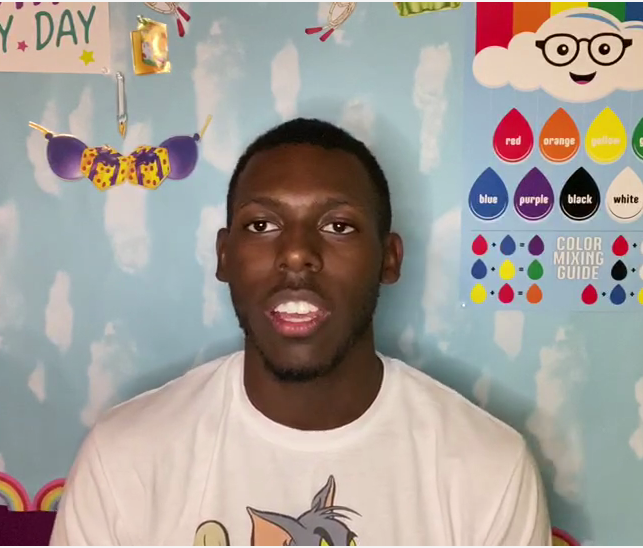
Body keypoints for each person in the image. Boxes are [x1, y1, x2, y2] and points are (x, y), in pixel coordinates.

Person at [51, 118, 551, 546]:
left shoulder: (489, 470)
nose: (296, 254)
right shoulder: (125, 458)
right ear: (224, 256)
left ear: (389, 259)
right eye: (261, 225)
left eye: (338, 226)